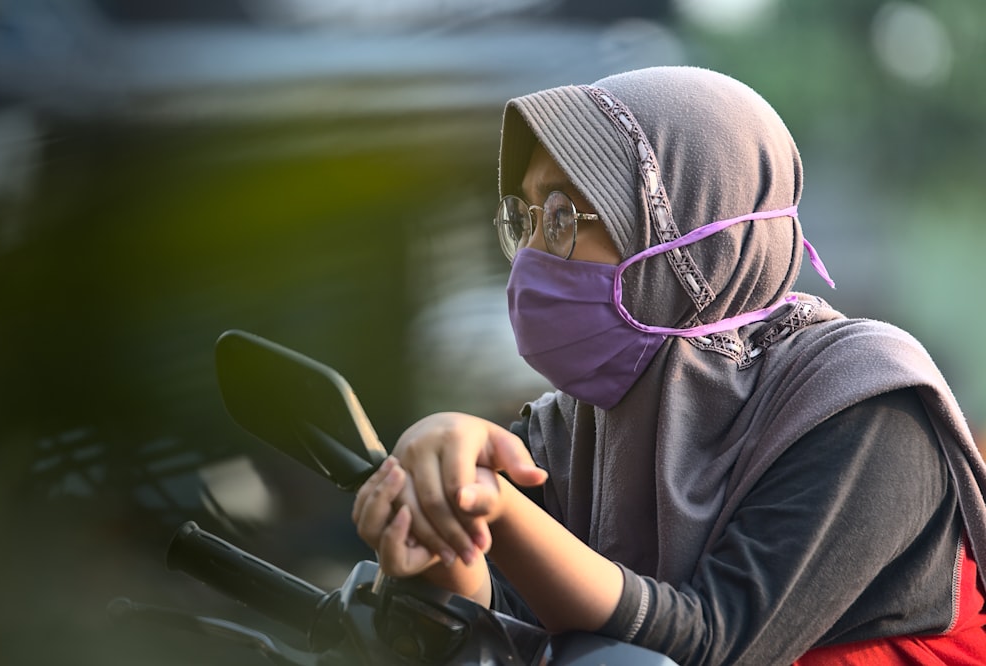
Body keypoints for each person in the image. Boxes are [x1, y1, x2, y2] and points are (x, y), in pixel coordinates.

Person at [351, 66, 986, 664]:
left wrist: (500, 508)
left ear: (689, 222)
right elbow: (511, 630)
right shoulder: (569, 430)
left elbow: (714, 643)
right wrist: (443, 522)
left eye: (564, 215)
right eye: (527, 219)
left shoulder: (862, 404)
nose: (533, 256)